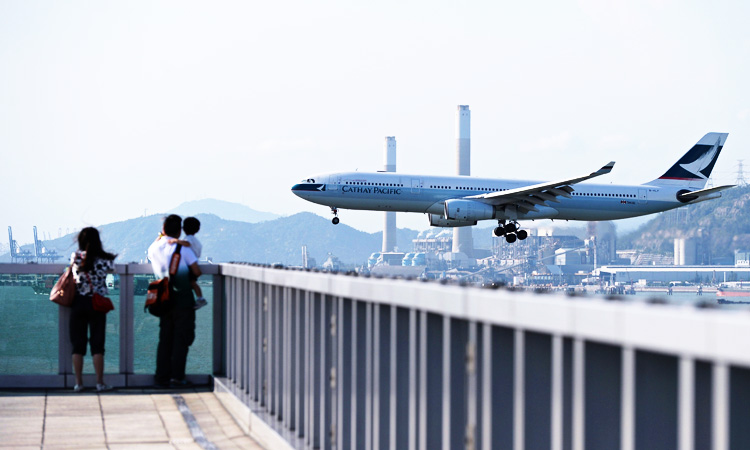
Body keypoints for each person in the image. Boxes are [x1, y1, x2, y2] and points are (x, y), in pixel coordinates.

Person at [148, 214, 201, 387]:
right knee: (181, 339)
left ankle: (161, 376)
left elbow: (157, 243)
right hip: (182, 299)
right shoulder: (183, 249)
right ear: (180, 231)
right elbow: (196, 270)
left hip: (163, 298)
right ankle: (177, 377)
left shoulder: (153, 248)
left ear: (163, 230)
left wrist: (161, 235)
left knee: (165, 339)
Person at [69, 227, 116, 392]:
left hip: (79, 302)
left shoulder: (76, 257)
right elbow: (111, 270)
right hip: (97, 303)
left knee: (77, 345)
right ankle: (99, 383)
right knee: (97, 345)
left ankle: (78, 383)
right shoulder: (105, 259)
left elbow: (73, 274)